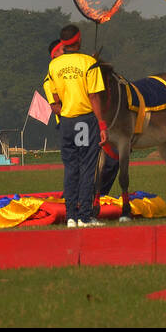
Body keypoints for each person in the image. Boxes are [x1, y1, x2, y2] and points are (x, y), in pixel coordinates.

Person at [43, 25, 108, 228]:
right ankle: (85, 217)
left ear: (63, 43)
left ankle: (71, 216)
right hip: (85, 120)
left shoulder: (54, 66)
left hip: (66, 122)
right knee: (87, 168)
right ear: (79, 41)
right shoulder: (89, 63)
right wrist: (103, 124)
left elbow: (55, 97)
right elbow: (94, 96)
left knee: (71, 169)